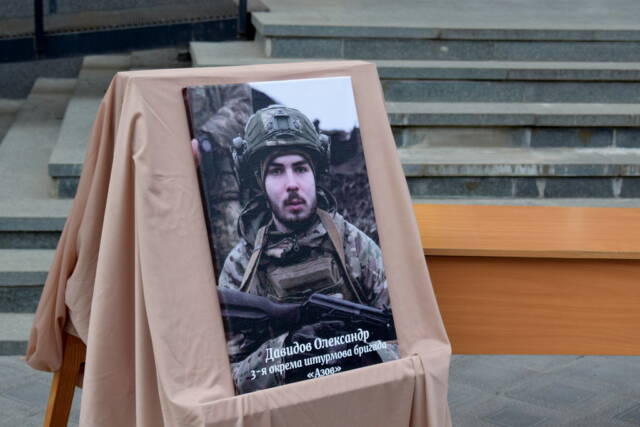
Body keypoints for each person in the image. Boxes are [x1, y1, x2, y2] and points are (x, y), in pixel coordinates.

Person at [217, 105, 396, 393]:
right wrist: (287, 351)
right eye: (276, 171)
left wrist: (361, 353)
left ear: (315, 174)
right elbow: (227, 377)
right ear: (259, 182)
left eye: (300, 169)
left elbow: (404, 343)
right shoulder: (241, 265)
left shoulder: (355, 247)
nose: (292, 184)